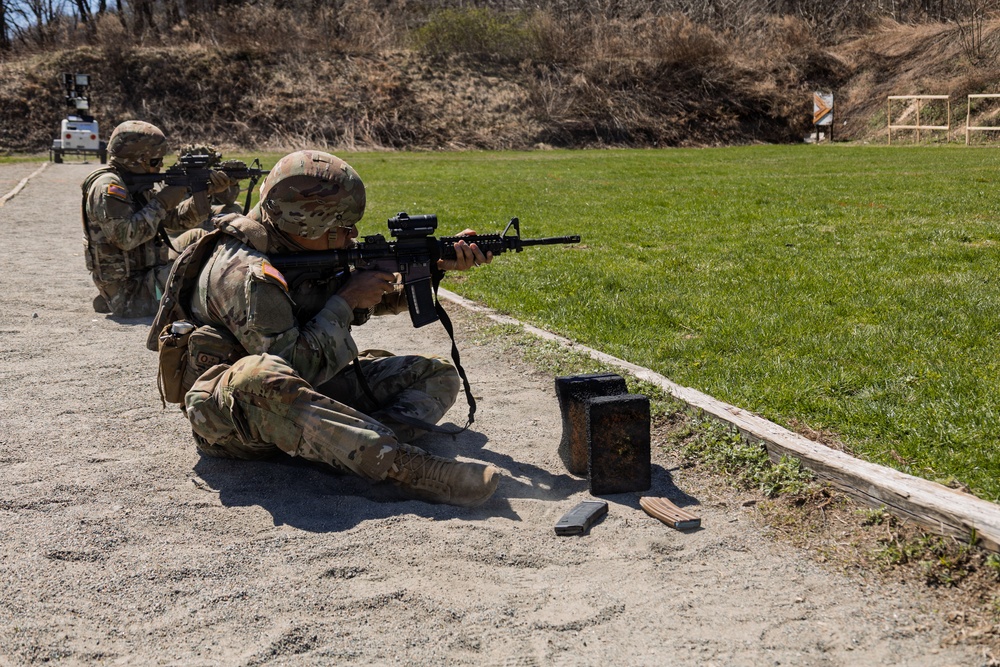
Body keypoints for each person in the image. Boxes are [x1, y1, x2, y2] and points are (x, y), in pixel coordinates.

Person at [155, 149, 500, 507]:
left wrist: (430, 268)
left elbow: (350, 300)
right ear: (306, 223)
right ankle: (403, 466)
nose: (353, 235)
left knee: (436, 374)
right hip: (237, 419)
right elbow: (293, 368)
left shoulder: (291, 245)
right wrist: (347, 300)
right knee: (258, 373)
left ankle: (347, 444)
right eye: (342, 227)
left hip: (303, 397)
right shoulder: (245, 274)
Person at [81, 120, 237, 317]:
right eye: (155, 161)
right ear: (137, 159)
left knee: (199, 237)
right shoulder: (108, 188)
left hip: (147, 273)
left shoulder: (133, 184)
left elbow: (174, 221)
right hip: (131, 294)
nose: (161, 165)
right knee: (201, 267)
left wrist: (206, 192)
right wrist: (162, 202)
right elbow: (125, 238)